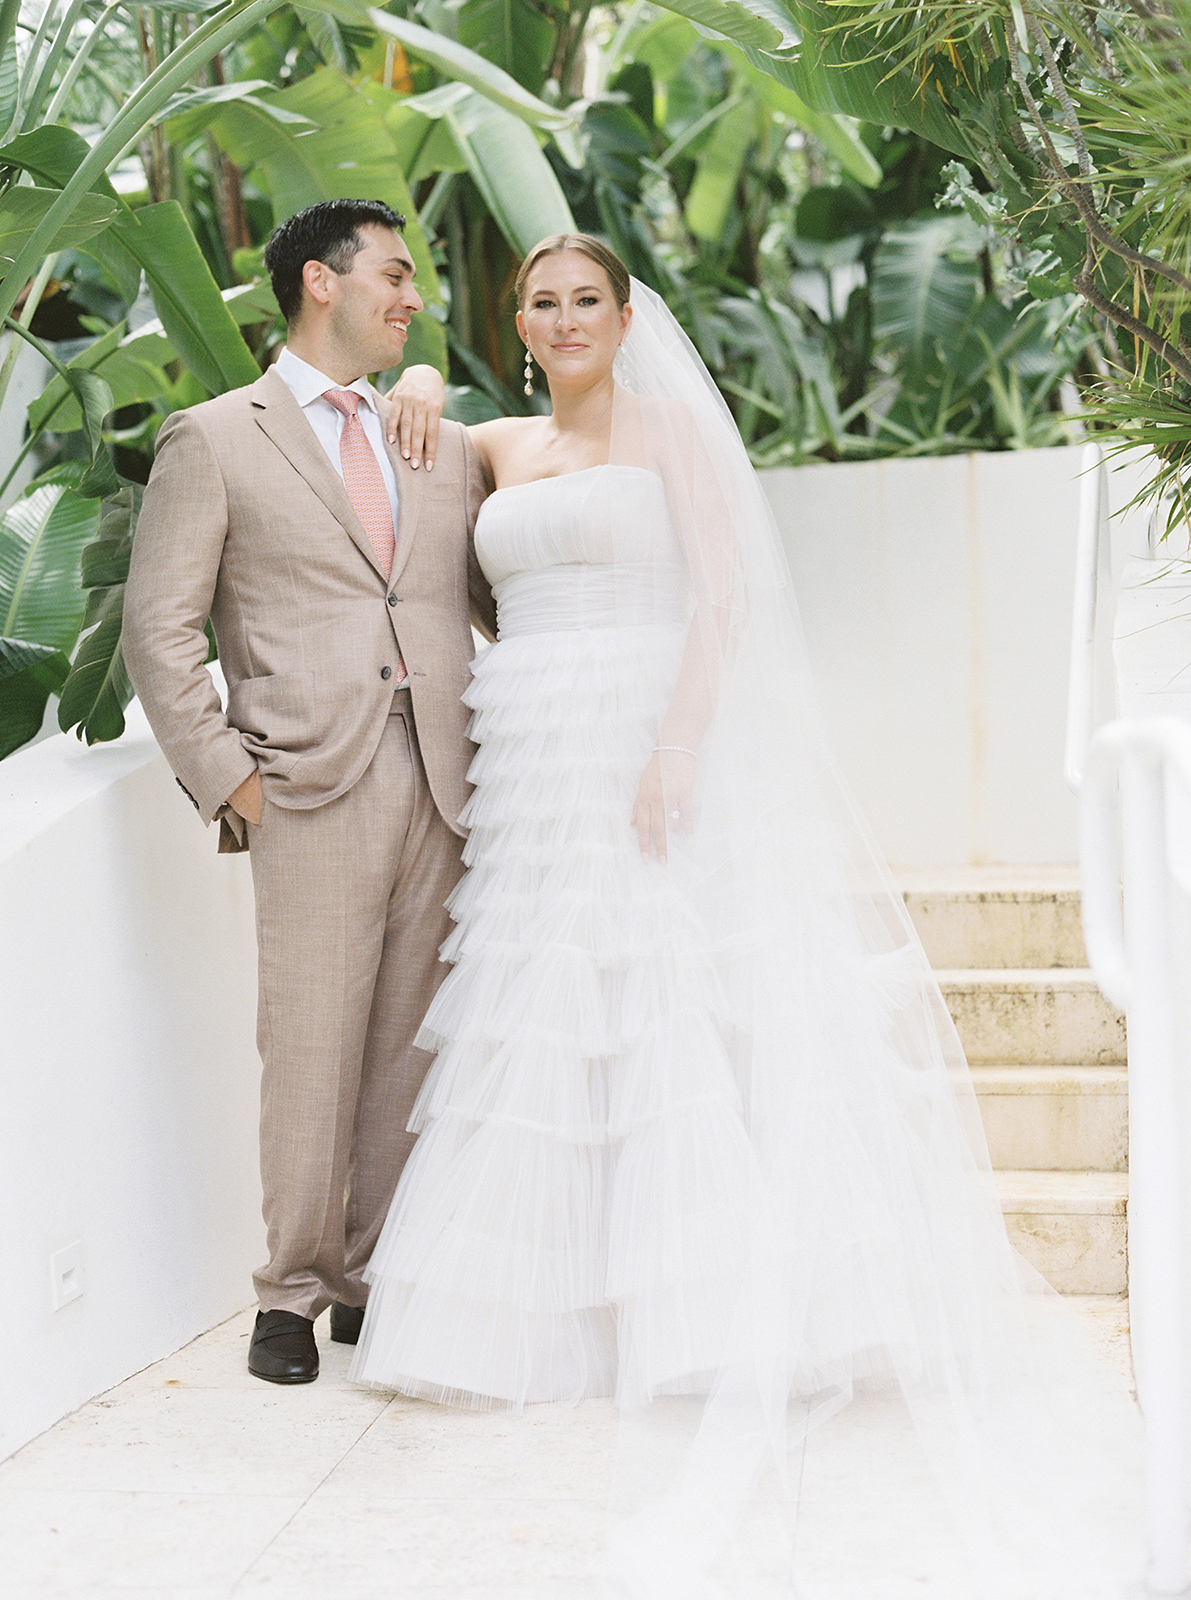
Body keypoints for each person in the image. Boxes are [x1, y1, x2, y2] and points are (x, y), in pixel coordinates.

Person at [352, 236, 1141, 1594]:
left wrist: (674, 746)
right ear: (520, 327)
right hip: (529, 745)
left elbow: (719, 596)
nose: (562, 318)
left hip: (646, 735)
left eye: (585, 298)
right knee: (546, 1008)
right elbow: (377, 427)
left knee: (673, 1005)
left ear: (623, 313)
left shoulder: (666, 433)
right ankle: (558, 1317)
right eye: (539, 304)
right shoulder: (490, 444)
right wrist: (418, 365)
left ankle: (706, 1316)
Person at [122, 198, 497, 1386]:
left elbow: (491, 581)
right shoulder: (214, 437)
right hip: (303, 784)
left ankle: (369, 1284)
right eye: (394, 275)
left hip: (444, 777)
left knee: (405, 1051)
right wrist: (229, 779)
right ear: (320, 283)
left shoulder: (431, 433)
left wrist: (429, 377)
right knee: (309, 1043)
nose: (413, 297)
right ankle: (287, 1292)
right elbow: (158, 627)